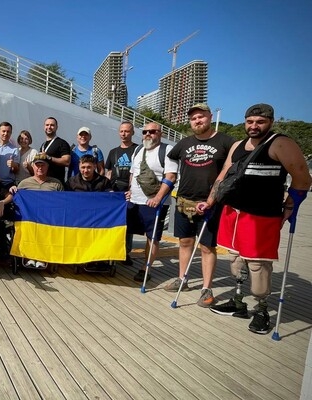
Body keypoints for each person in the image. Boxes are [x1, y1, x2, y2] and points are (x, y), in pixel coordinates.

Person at [201, 104, 311, 334]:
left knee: (258, 264)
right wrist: (210, 201)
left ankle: (262, 310)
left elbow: (302, 177)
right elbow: (223, 175)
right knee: (235, 260)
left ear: (270, 122)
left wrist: (290, 205)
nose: (254, 126)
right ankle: (238, 302)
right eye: (250, 121)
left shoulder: (280, 143)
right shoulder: (238, 145)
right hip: (233, 212)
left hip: (261, 216)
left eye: (260, 122)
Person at [165, 103, 235, 307]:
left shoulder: (226, 142)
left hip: (210, 203)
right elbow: (169, 164)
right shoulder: (184, 143)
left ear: (210, 117)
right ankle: (182, 279)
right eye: (193, 118)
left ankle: (206, 288)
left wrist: (216, 197)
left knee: (207, 246)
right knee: (185, 242)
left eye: (201, 116)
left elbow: (233, 168)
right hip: (184, 201)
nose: (197, 120)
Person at [127, 123, 178, 282]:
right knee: (126, 229)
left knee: (152, 237)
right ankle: (124, 256)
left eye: (152, 131)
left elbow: (171, 177)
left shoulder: (167, 150)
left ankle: (146, 268)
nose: (148, 134)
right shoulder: (138, 150)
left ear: (160, 133)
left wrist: (157, 198)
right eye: (145, 132)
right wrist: (130, 190)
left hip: (154, 203)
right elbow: (133, 173)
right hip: (134, 201)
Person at [0, 154, 64, 269]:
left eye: (43, 165)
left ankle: (41, 257)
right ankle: (30, 256)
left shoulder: (56, 184)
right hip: (29, 218)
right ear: (33, 167)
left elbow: (63, 202)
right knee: (28, 228)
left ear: (47, 167)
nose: (40, 168)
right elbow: (15, 197)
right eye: (37, 165)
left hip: (49, 219)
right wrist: (5, 199)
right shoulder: (24, 183)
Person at [105, 121, 139, 266]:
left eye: (127, 131)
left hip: (130, 191)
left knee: (128, 222)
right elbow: (109, 172)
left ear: (132, 133)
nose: (124, 134)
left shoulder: (138, 150)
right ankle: (112, 249)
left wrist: (133, 190)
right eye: (122, 131)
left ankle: (126, 252)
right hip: (115, 190)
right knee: (113, 221)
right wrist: (107, 189)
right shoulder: (113, 152)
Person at [38, 117, 71, 183]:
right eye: (47, 125)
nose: (49, 127)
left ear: (56, 127)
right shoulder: (43, 145)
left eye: (52, 125)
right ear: (44, 127)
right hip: (43, 182)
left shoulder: (62, 143)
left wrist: (48, 157)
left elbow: (67, 161)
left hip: (56, 183)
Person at [0, 121, 20, 189]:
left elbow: (16, 170)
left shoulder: (15, 149)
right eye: (3, 131)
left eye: (8, 131)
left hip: (8, 184)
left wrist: (14, 165)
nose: (5, 133)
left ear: (11, 133)